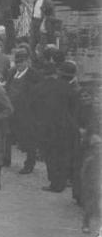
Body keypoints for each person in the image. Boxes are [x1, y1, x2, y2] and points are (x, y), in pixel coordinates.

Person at [30, 61, 77, 193]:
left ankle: (56, 183)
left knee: (51, 155)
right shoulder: (72, 90)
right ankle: (65, 180)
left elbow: (34, 105)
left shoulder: (47, 86)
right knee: (65, 154)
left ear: (59, 72)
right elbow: (75, 111)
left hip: (48, 127)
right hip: (66, 127)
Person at [5, 48, 42, 173]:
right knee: (7, 135)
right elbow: (7, 87)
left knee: (28, 138)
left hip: (26, 112)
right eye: (17, 62)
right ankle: (5, 159)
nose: (19, 65)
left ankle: (29, 164)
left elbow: (36, 95)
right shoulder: (12, 72)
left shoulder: (34, 75)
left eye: (21, 62)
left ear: (27, 61)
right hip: (11, 110)